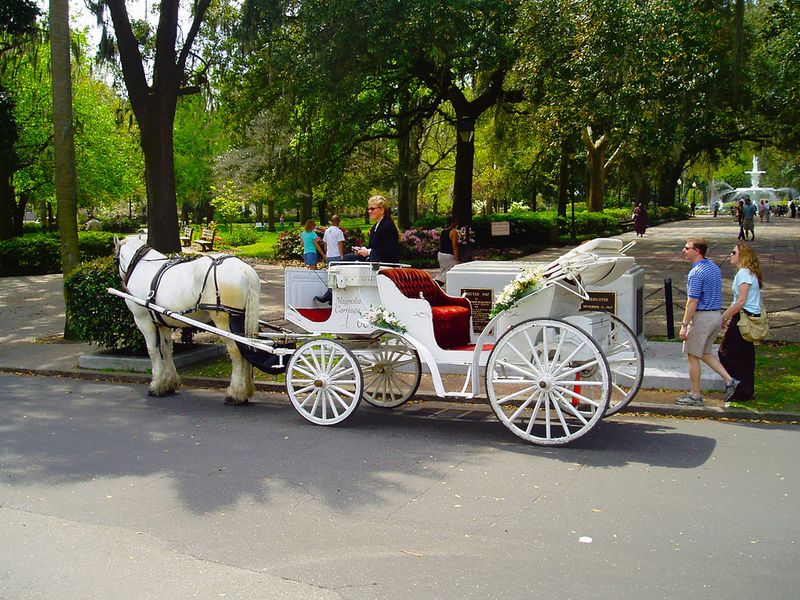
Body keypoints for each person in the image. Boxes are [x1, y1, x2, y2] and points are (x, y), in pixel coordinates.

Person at [676, 238, 739, 407]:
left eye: (687, 248)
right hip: (715, 316)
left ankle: (695, 396)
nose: (684, 250)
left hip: (702, 318)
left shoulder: (696, 273)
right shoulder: (713, 267)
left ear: (697, 251)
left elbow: (692, 301)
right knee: (705, 353)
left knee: (692, 356)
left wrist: (684, 325)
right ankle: (729, 381)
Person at [314, 195, 399, 304]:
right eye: (368, 209)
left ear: (382, 210)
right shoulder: (377, 226)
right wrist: (363, 249)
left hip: (383, 262)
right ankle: (333, 294)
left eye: (372, 208)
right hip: (375, 258)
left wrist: (368, 252)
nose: (369, 211)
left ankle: (333, 295)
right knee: (344, 260)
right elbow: (376, 246)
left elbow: (389, 249)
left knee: (345, 259)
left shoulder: (388, 225)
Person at [718, 242, 763, 406]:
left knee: (725, 352)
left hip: (744, 318)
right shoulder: (748, 273)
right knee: (745, 354)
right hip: (744, 317)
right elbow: (737, 300)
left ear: (742, 256)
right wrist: (728, 316)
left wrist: (724, 317)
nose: (731, 255)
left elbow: (741, 301)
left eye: (734, 252)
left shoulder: (744, 273)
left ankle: (737, 385)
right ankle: (745, 389)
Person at [435, 215, 460, 284]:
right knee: (448, 274)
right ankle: (434, 286)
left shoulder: (443, 231)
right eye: (456, 221)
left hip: (441, 255)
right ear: (453, 222)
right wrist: (456, 258)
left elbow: (440, 243)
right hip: (449, 256)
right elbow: (454, 246)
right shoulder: (453, 232)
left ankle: (434, 284)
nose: (457, 223)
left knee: (442, 273)